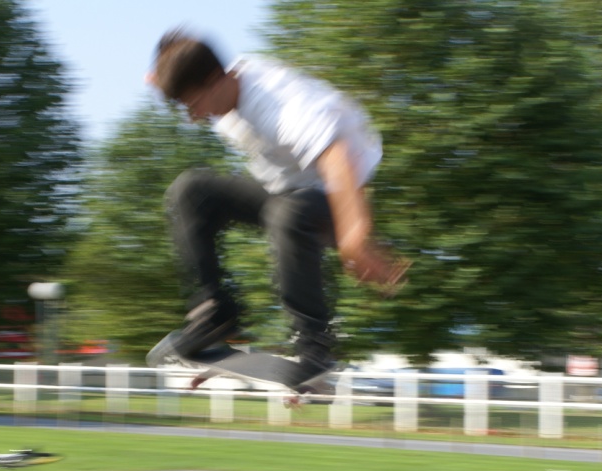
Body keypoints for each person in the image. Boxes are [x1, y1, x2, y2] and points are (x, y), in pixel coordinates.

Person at [147, 30, 407, 380]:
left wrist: (355, 236)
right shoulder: (220, 84)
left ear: (214, 79)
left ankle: (315, 350)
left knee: (289, 214)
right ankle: (214, 314)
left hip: (338, 191)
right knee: (191, 192)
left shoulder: (278, 103)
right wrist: (160, 75)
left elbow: (338, 157)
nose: (195, 117)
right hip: (288, 192)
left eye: (195, 105)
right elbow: (179, 54)